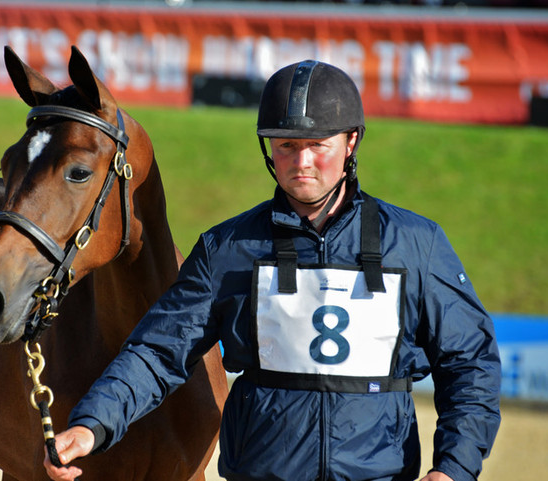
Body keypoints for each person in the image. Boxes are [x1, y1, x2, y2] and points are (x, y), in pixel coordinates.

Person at [45, 60, 501, 481]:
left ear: (351, 142)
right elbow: (158, 350)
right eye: (286, 146)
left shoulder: (417, 245)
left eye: (317, 146)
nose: (301, 163)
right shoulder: (227, 249)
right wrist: (92, 423)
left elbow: (470, 363)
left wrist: (453, 469)